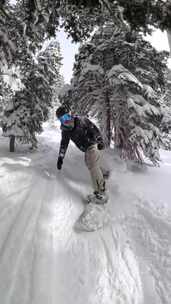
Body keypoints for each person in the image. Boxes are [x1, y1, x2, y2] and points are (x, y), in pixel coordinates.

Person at [56, 105, 108, 204]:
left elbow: (94, 130)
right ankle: (103, 174)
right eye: (63, 119)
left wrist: (100, 140)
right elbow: (64, 143)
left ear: (70, 114)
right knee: (90, 164)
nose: (66, 120)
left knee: (92, 164)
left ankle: (101, 193)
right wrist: (61, 157)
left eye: (67, 116)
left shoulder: (81, 120)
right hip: (86, 149)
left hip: (92, 144)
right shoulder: (65, 130)